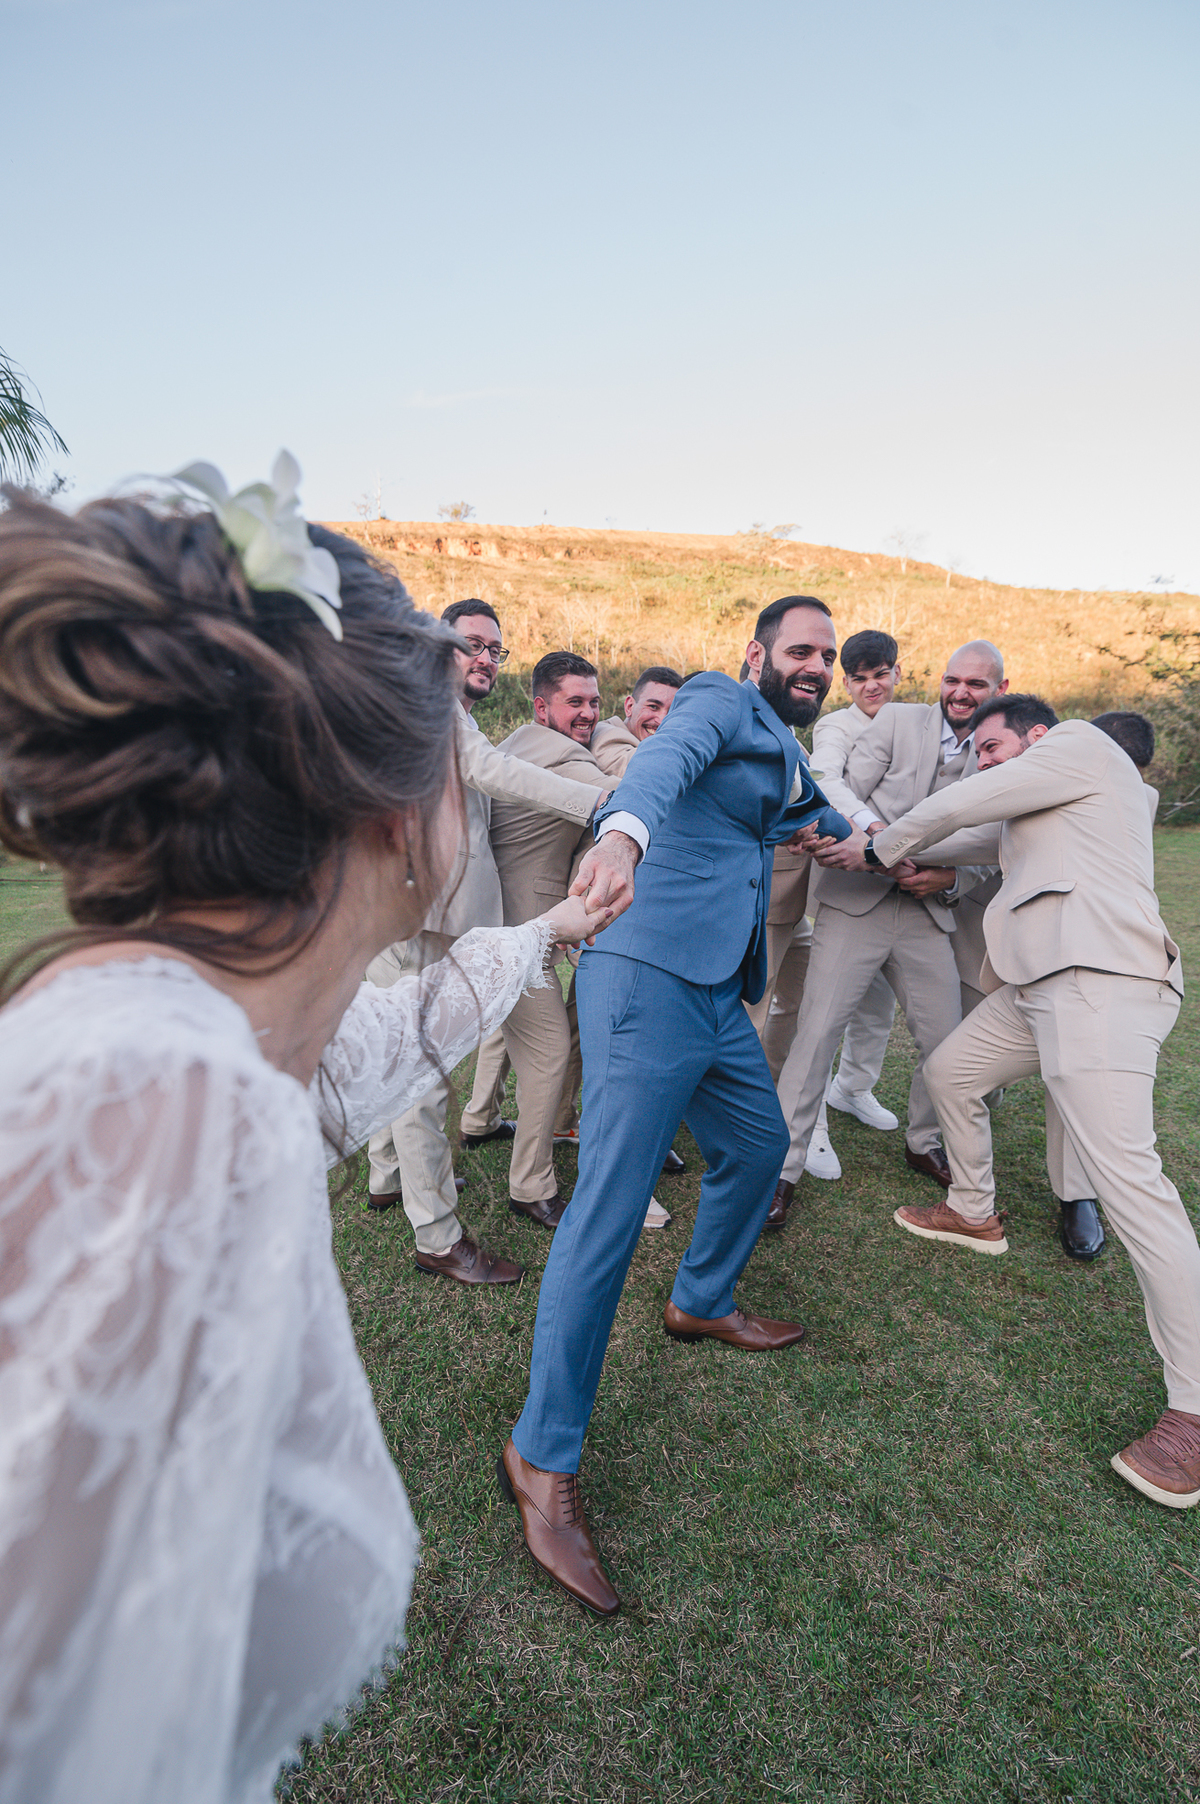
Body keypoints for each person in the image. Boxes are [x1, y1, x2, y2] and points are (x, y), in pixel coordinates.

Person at [0, 465, 616, 1802]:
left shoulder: (232, 1042)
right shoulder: (160, 1120)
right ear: (402, 814)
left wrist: (556, 928)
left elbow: (392, 1039)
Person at [498, 596, 850, 1617]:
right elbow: (661, 765)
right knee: (608, 1213)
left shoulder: (784, 748)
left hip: (713, 989)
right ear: (755, 654)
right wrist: (620, 837)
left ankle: (699, 1297)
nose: (817, 664)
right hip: (645, 973)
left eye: (828, 654)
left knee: (759, 1145)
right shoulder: (717, 702)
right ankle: (541, 1457)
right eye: (800, 649)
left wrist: (874, 841)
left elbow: (820, 814)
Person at [846, 695, 1199, 1510]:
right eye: (975, 752)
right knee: (951, 1073)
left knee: (1131, 1186)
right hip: (1038, 989)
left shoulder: (1078, 745)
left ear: (1037, 736)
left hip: (1100, 982)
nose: (982, 762)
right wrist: (860, 848)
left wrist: (880, 842)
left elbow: (958, 806)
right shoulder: (1033, 805)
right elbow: (959, 835)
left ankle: (1194, 1410)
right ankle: (974, 1210)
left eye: (993, 746)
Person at [366, 599, 607, 1286]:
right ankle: (439, 1238)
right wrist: (597, 804)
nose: (485, 658)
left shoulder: (452, 715)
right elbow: (490, 772)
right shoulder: (429, 704)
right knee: (422, 1078)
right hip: (412, 918)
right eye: (471, 643)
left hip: (422, 916)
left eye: (495, 649)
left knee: (404, 1062)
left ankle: (388, 1176)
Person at [769, 641, 1007, 1226]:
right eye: (953, 680)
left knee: (947, 1042)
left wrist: (951, 878)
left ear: (999, 689)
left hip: (927, 912)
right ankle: (782, 1170)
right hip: (856, 903)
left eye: (975, 685)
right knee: (817, 1034)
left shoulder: (1000, 750)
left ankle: (925, 1141)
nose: (960, 693)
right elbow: (838, 786)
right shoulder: (898, 719)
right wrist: (879, 837)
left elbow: (1000, 840)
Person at [460, 653, 608, 1229]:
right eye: (576, 702)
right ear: (542, 707)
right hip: (524, 923)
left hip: (491, 918)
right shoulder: (570, 759)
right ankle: (531, 1186)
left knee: (509, 1028)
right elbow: (620, 796)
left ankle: (478, 1119)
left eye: (594, 702)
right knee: (548, 1050)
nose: (588, 713)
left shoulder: (513, 743)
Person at [589, 665, 684, 774]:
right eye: (653, 707)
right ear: (629, 706)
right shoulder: (606, 737)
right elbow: (649, 770)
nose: (662, 721)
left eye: (671, 712)